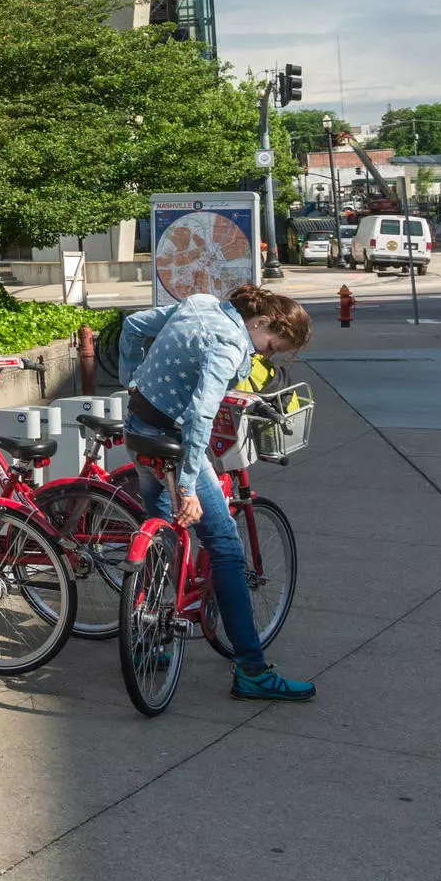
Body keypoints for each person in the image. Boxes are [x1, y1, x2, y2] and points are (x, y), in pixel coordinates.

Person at [119, 285, 317, 701]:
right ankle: (252, 670)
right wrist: (189, 487)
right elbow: (199, 416)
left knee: (162, 539)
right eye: (270, 345)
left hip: (137, 429)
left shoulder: (200, 304)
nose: (266, 354)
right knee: (224, 545)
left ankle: (153, 640)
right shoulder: (230, 342)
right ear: (262, 322)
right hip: (171, 441)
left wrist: (131, 380)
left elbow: (134, 325)